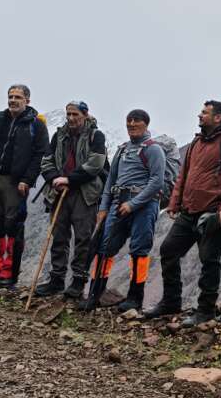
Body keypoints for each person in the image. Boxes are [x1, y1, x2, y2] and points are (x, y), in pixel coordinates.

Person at [145, 100, 221, 327]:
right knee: (169, 250)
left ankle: (205, 310)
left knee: (209, 260)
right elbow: (184, 174)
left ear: (218, 117)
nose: (200, 116)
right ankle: (172, 301)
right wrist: (175, 202)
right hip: (189, 210)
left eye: (204, 113)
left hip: (212, 213)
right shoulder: (196, 142)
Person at [81, 109, 166, 312]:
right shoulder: (122, 150)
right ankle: (94, 295)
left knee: (139, 249)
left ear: (146, 124)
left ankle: (135, 298)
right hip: (118, 202)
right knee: (104, 248)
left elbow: (156, 181)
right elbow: (111, 180)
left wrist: (133, 204)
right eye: (129, 121)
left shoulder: (154, 150)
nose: (132, 124)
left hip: (144, 206)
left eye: (136, 121)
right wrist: (103, 207)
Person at [0, 84, 48, 288]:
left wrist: (27, 180)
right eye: (10, 96)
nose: (13, 100)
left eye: (18, 97)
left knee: (12, 226)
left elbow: (40, 155)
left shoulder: (36, 125)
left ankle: (8, 273)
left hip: (15, 182)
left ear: (27, 101)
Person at [34, 101, 107, 299]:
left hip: (85, 193)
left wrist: (69, 179)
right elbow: (46, 160)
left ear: (85, 115)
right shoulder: (59, 135)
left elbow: (96, 164)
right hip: (59, 192)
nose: (71, 118)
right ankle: (56, 280)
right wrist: (54, 179)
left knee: (83, 237)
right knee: (59, 236)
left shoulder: (95, 136)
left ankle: (78, 281)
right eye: (69, 114)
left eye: (75, 114)